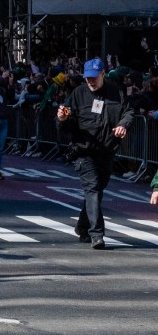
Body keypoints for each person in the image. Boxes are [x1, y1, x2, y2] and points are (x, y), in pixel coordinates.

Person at [56, 57, 131, 249]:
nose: (90, 81)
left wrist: (123, 125)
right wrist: (62, 119)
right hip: (84, 151)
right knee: (93, 187)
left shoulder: (116, 92)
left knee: (97, 190)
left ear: (103, 74)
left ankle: (82, 226)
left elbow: (128, 112)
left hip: (107, 150)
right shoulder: (78, 93)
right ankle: (97, 234)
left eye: (94, 78)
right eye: (87, 78)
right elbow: (65, 123)